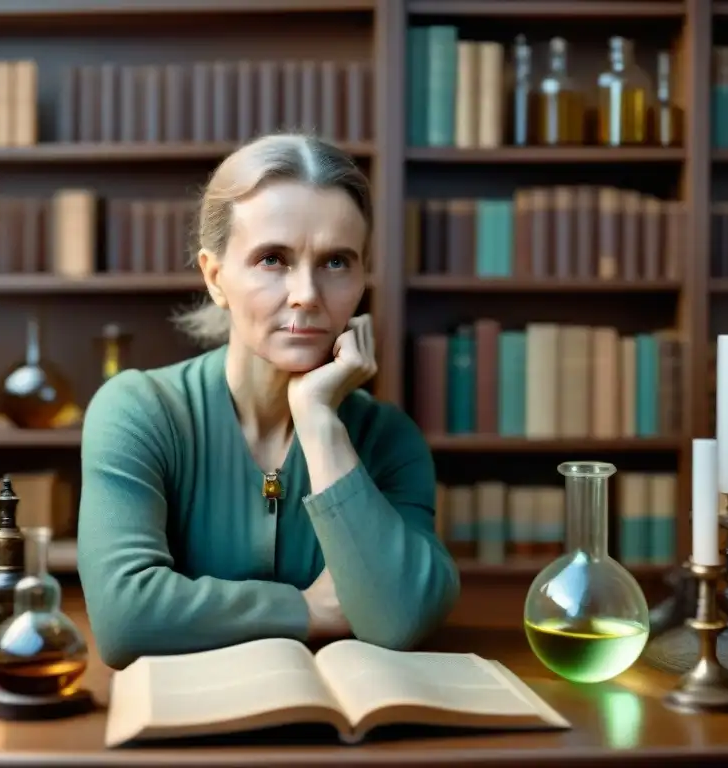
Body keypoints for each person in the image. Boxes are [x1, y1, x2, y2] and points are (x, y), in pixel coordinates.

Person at [77, 134, 460, 670]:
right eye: (273, 259)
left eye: (335, 262)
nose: (306, 293)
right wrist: (306, 610)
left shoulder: (387, 437)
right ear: (215, 277)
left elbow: (400, 618)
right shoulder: (141, 410)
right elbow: (125, 621)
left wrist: (320, 423)